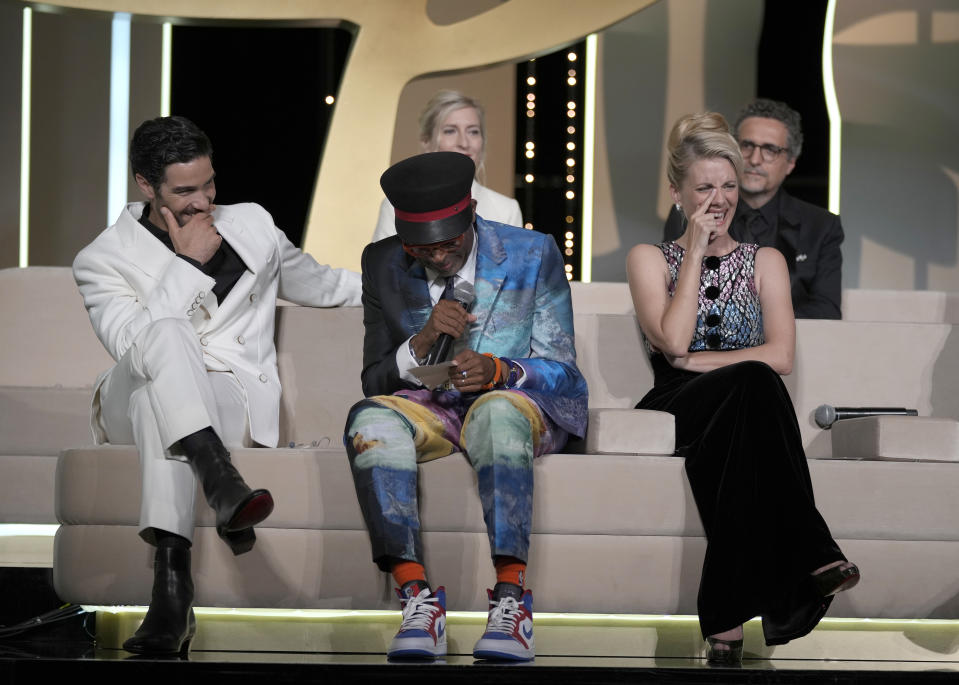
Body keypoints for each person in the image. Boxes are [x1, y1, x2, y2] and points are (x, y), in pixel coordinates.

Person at [72, 115, 361, 656]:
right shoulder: (101, 259)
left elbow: (323, 284)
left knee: (159, 408)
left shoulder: (251, 224)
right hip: (127, 390)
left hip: (224, 394)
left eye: (208, 184)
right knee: (162, 341)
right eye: (185, 191)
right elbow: (133, 347)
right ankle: (220, 477)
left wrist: (406, 284)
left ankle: (172, 595)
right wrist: (186, 264)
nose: (202, 202)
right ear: (144, 184)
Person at [628, 113, 859, 664]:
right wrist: (693, 249)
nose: (720, 198)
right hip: (673, 405)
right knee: (748, 385)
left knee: (741, 427)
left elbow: (779, 356)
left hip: (737, 410)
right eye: (705, 187)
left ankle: (724, 623)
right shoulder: (649, 258)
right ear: (676, 192)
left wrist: (702, 361)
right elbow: (673, 344)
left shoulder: (766, 261)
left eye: (728, 186)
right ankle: (813, 551)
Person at [346, 151, 586, 661]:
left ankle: (511, 602)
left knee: (496, 412)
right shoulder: (382, 262)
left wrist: (501, 370)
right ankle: (416, 600)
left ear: (470, 213)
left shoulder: (531, 252)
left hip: (512, 406)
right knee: (367, 419)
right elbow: (374, 380)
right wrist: (423, 338)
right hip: (433, 405)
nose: (436, 257)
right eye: (420, 247)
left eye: (448, 243)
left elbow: (565, 373)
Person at [663, 99, 844, 319]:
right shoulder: (691, 214)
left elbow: (826, 310)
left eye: (770, 150)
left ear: (791, 163)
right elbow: (672, 294)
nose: (755, 159)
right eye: (746, 146)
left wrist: (756, 327)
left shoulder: (821, 225)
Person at [371, 90, 522, 242]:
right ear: (426, 141)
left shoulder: (506, 210)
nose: (464, 143)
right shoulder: (396, 207)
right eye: (450, 131)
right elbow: (384, 265)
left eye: (473, 132)